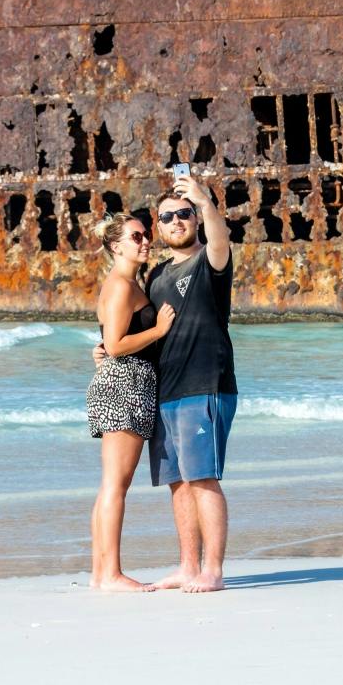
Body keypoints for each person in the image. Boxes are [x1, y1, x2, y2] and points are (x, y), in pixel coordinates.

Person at [95, 173, 239, 593]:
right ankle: (188, 566)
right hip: (164, 390)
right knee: (177, 482)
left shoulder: (209, 262)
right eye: (167, 216)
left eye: (184, 214)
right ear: (158, 226)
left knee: (203, 478)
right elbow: (134, 328)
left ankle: (213, 569)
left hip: (204, 383)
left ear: (195, 219)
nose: (176, 221)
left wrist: (203, 199)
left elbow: (219, 238)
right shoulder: (155, 276)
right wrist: (105, 348)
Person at [85, 214, 177, 591]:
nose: (145, 242)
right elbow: (118, 344)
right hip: (125, 384)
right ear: (115, 246)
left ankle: (99, 573)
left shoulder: (123, 284)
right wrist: (159, 329)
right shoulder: (122, 286)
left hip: (124, 382)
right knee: (115, 486)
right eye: (136, 236)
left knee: (110, 485)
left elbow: (107, 344)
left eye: (146, 235)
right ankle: (111, 575)